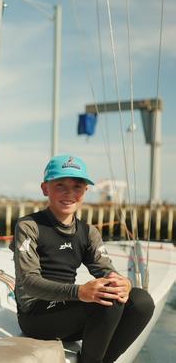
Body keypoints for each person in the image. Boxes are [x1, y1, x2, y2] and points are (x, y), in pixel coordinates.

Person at [11, 154, 155, 363]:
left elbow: (107, 271)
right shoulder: (29, 226)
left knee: (142, 301)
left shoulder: (88, 232)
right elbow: (29, 283)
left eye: (77, 187)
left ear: (85, 191)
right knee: (107, 299)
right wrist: (79, 292)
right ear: (45, 189)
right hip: (36, 315)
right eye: (60, 185)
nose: (69, 193)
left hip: (72, 313)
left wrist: (124, 283)